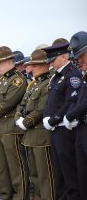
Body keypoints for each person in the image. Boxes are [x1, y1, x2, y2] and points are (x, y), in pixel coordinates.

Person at [0, 46, 29, 200]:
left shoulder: (17, 80)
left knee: (16, 166)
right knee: (2, 166)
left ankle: (20, 196)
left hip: (11, 128)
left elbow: (9, 102)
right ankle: (5, 194)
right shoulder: (2, 80)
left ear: (9, 61)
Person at [42, 38, 81, 199]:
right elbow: (52, 101)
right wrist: (48, 118)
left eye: (53, 60)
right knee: (60, 171)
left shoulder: (72, 74)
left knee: (69, 171)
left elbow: (71, 101)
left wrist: (54, 119)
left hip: (65, 129)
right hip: (55, 130)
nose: (51, 64)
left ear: (64, 57)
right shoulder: (57, 76)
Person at [15, 49, 55, 200]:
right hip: (29, 136)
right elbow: (22, 104)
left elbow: (42, 108)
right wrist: (19, 117)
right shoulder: (33, 84)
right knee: (34, 175)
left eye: (35, 65)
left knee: (45, 176)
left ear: (45, 65)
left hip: (41, 136)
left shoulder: (48, 83)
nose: (31, 68)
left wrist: (26, 122)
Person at [63, 31, 87, 200]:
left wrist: (70, 115)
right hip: (82, 128)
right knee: (82, 173)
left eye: (82, 55)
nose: (79, 60)